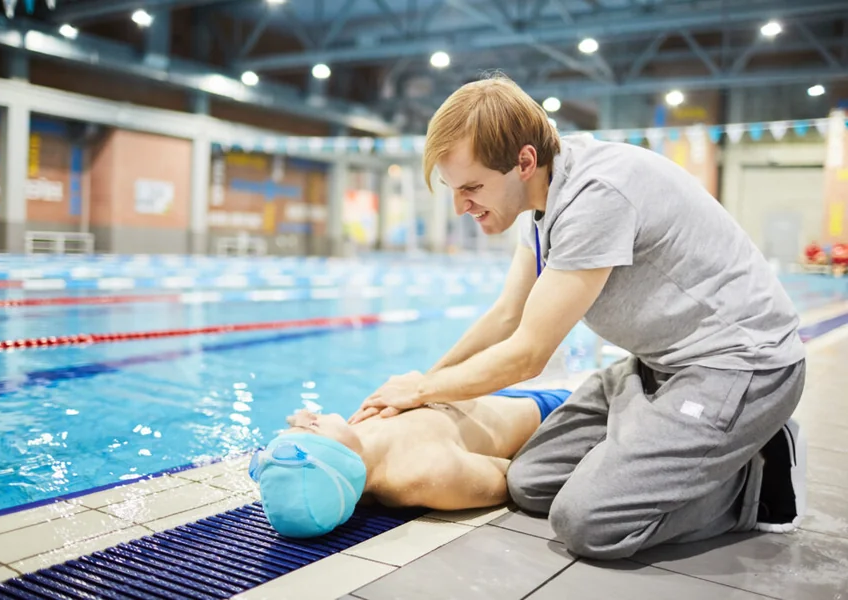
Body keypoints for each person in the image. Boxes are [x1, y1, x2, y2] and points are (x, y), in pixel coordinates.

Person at [348, 74, 807, 561]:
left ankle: (758, 476)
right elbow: (507, 315)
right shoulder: (543, 202)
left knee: (588, 522)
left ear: (524, 161)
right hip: (656, 366)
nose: (462, 206)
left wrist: (421, 392)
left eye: (473, 187)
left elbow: (527, 354)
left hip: (741, 368)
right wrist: (424, 383)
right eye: (454, 189)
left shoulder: (596, 197)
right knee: (529, 482)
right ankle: (655, 436)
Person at [249, 388, 570, 538]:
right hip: (539, 408)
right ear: (343, 461)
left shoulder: (353, 444)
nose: (303, 414)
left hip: (478, 389)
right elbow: (513, 475)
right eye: (309, 426)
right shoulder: (425, 474)